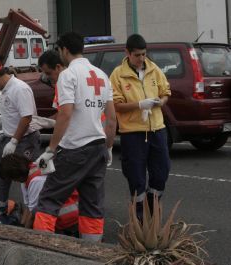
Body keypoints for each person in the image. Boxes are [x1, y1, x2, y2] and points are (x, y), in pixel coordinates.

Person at [32, 32, 117, 242]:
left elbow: (65, 113)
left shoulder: (68, 76)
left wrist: (50, 150)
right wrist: (108, 147)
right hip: (98, 147)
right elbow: (112, 119)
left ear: (64, 50)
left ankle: (39, 252)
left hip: (74, 148)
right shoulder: (101, 75)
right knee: (92, 205)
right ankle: (91, 253)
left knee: (49, 200)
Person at [109, 34, 171, 217]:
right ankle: (139, 218)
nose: (141, 58)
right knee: (135, 176)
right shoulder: (118, 75)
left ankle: (153, 202)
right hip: (133, 133)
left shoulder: (154, 69)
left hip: (157, 129)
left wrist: (161, 101)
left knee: (162, 171)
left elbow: (166, 91)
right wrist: (139, 105)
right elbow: (116, 105)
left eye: (144, 54)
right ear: (127, 52)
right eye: (137, 55)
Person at [0, 59, 40, 224]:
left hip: (24, 140)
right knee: (2, 176)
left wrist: (14, 141)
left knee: (26, 178)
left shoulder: (19, 89)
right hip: (9, 138)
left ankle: (31, 217)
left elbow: (26, 117)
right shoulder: (6, 89)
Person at [0, 153, 79, 233]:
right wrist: (22, 227)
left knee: (39, 222)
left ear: (16, 174)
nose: (14, 181)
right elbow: (28, 207)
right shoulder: (28, 173)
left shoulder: (36, 181)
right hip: (62, 214)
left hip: (68, 218)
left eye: (13, 179)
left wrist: (24, 234)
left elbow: (32, 214)